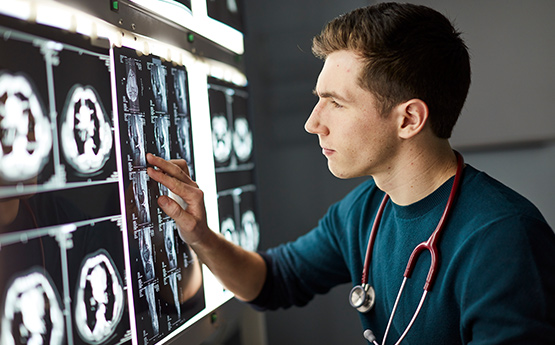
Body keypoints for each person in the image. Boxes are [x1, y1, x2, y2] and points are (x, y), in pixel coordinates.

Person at [146, 2, 555, 344]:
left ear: (409, 119)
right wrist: (199, 234)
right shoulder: (366, 209)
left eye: (335, 103)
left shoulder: (502, 238)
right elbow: (270, 282)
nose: (312, 123)